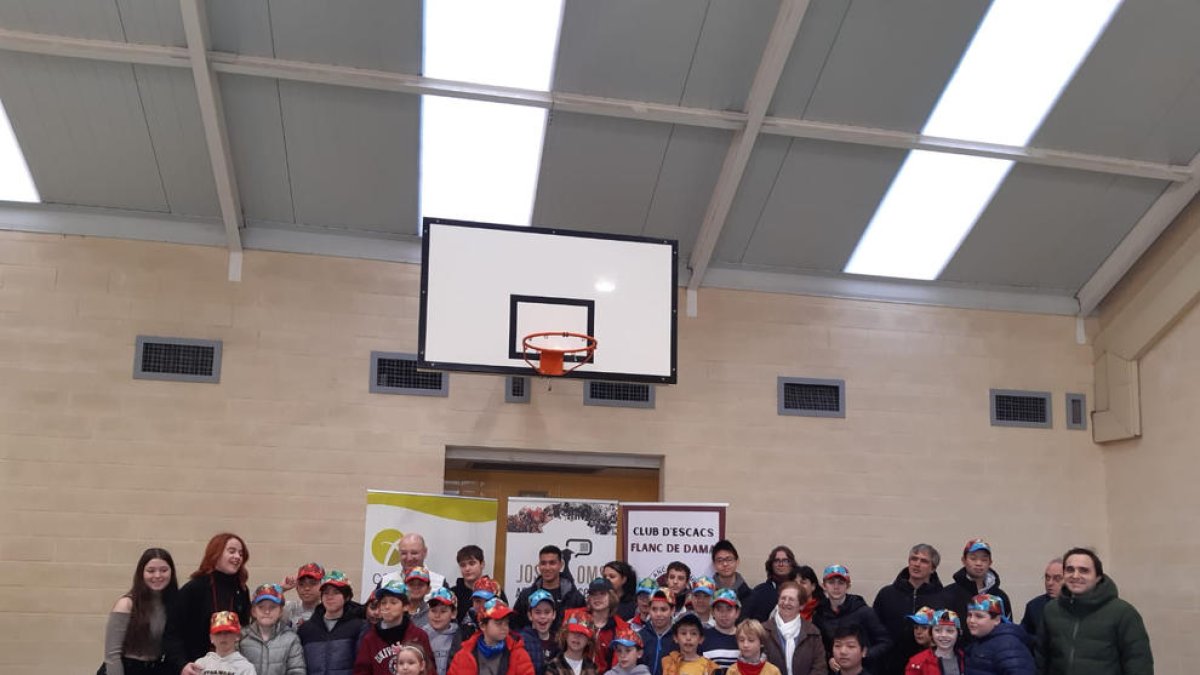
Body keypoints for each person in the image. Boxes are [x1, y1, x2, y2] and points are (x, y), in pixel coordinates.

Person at [1035, 548, 1153, 675]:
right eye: (1070, 570)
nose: (1075, 575)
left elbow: (1138, 662)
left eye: (1084, 570)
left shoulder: (1123, 613)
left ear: (1098, 577)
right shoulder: (1051, 610)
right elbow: (1041, 658)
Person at [165, 533, 251, 675]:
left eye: (241, 554)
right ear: (215, 553)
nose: (237, 557)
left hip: (230, 668)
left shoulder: (241, 590)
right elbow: (171, 632)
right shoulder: (194, 588)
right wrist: (181, 664)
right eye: (232, 551)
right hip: (195, 668)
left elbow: (244, 628)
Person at [104, 547, 178, 675]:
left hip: (156, 669)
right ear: (141, 573)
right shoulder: (126, 604)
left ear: (171, 573)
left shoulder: (174, 603)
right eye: (151, 571)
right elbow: (112, 655)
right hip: (126, 669)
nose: (158, 575)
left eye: (164, 570)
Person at [872, 545, 944, 675]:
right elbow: (874, 630)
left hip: (927, 667)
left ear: (933, 568)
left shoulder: (943, 597)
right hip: (889, 667)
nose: (917, 564)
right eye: (914, 559)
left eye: (924, 561)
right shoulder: (887, 594)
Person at [811, 565, 891, 669]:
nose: (836, 587)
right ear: (824, 586)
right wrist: (829, 658)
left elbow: (885, 642)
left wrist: (864, 655)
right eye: (831, 582)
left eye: (841, 583)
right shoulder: (819, 614)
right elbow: (818, 646)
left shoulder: (864, 612)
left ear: (848, 586)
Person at [355, 579, 436, 675]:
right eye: (383, 603)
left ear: (406, 607)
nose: (387, 607)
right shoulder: (370, 639)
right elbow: (361, 671)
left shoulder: (419, 636)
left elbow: (430, 669)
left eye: (393, 602)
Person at [297, 570, 366, 675]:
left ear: (346, 597)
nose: (329, 597)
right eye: (326, 593)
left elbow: (363, 666)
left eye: (336, 592)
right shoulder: (306, 629)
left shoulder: (359, 627)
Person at [939, 540, 1012, 639]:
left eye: (984, 559)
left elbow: (1007, 629)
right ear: (964, 561)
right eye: (973, 558)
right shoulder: (948, 594)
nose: (978, 563)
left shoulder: (999, 596)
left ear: (990, 563)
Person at [447, 599, 536, 675]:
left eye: (506, 623)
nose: (504, 627)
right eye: (499, 623)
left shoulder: (518, 654)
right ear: (483, 626)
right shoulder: (463, 655)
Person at [512, 546, 586, 629]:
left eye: (552, 563)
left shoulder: (575, 598)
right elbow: (514, 626)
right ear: (539, 565)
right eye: (543, 563)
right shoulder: (526, 596)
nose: (547, 568)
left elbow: (582, 629)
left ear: (560, 565)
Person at [240, 583, 306, 675]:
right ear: (254, 611)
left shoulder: (291, 639)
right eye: (261, 607)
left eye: (272, 607)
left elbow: (297, 671)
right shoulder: (242, 637)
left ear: (280, 611)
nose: (267, 611)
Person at [762, 581, 826, 675]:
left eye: (791, 599)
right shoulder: (762, 631)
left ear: (801, 605)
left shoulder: (813, 633)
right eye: (783, 598)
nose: (786, 603)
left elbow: (820, 667)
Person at [568, 577, 631, 670]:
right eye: (593, 594)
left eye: (602, 594)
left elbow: (620, 663)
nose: (597, 598)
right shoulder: (574, 618)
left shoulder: (621, 628)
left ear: (611, 596)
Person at [962, 595, 1032, 675]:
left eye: (979, 616)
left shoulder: (1009, 646)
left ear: (997, 619)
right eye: (969, 615)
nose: (971, 620)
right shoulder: (979, 641)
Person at [381, 534, 450, 598]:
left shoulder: (440, 583)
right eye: (404, 553)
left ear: (425, 552)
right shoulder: (385, 581)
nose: (409, 558)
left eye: (414, 553)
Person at [454, 546, 508, 624]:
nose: (467, 569)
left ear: (482, 564)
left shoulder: (495, 591)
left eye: (472, 563)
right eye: (463, 565)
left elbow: (504, 620)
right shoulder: (453, 593)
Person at [746, 547, 799, 622]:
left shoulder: (799, 590)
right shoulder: (759, 591)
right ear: (771, 565)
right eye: (777, 561)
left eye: (785, 561)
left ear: (792, 564)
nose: (781, 564)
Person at [904, 610, 963, 675]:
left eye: (950, 631)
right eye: (938, 630)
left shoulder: (967, 658)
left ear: (958, 633)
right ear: (931, 633)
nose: (943, 635)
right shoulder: (917, 662)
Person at [422, 587, 463, 675]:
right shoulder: (421, 635)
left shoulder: (459, 637)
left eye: (443, 611)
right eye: (433, 611)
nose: (437, 615)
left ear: (453, 614)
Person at [520, 589, 561, 675]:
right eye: (537, 612)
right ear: (530, 615)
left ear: (554, 615)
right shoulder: (521, 641)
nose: (543, 616)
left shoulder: (558, 642)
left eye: (547, 612)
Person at [638, 589, 679, 675]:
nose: (658, 614)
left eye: (663, 609)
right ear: (649, 609)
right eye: (654, 609)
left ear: (672, 610)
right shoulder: (640, 636)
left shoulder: (679, 637)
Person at [1017, 559, 1061, 639]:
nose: (1050, 583)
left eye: (1057, 579)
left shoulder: (1078, 604)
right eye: (1047, 578)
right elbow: (1023, 636)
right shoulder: (1034, 606)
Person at [702, 589, 740, 673]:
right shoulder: (703, 638)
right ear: (712, 612)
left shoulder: (745, 638)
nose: (724, 614)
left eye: (729, 609)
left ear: (737, 613)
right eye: (719, 609)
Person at [281, 562, 325, 629]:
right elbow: (261, 608)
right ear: (297, 588)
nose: (306, 588)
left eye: (312, 583)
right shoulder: (289, 608)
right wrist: (281, 589)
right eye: (301, 584)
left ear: (322, 586)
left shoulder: (329, 610)